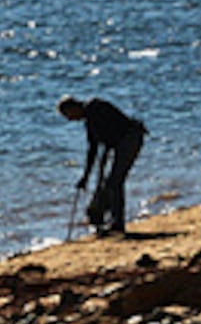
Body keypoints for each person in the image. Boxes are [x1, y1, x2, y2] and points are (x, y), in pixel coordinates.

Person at [58, 95, 145, 236]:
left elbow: (113, 130)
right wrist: (85, 178)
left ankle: (117, 224)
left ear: (73, 107)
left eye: (68, 115)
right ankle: (106, 219)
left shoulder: (95, 106)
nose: (70, 119)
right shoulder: (89, 121)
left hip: (130, 137)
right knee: (108, 182)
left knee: (114, 182)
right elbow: (92, 150)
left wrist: (104, 158)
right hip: (117, 144)